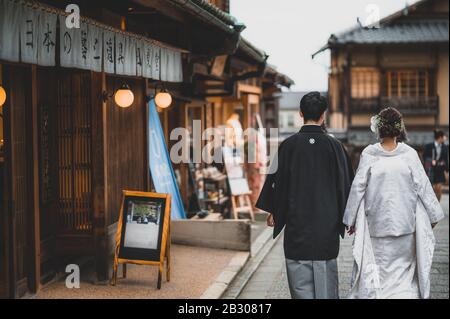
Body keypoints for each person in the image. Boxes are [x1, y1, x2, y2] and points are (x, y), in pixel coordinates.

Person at [256, 92, 354, 299]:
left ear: (300, 113)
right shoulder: (335, 147)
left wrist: (275, 210)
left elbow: (278, 183)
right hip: (325, 229)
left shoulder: (288, 146)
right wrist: (349, 218)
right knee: (326, 286)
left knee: (300, 288)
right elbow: (346, 185)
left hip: (297, 227)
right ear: (323, 115)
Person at [343, 107, 444, 299]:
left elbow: (358, 188)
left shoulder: (369, 153)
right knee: (403, 276)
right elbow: (423, 185)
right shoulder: (410, 154)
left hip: (377, 225)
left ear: (379, 128)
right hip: (405, 224)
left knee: (377, 270)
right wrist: (434, 214)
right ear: (400, 128)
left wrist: (351, 219)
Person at [423, 130, 449, 201]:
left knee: (439, 188)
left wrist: (447, 171)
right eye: (444, 136)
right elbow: (424, 156)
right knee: (433, 188)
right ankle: (434, 204)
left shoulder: (445, 147)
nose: (445, 138)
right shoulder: (429, 146)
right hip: (431, 169)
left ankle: (438, 205)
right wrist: (431, 161)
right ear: (440, 137)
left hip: (440, 169)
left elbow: (446, 159)